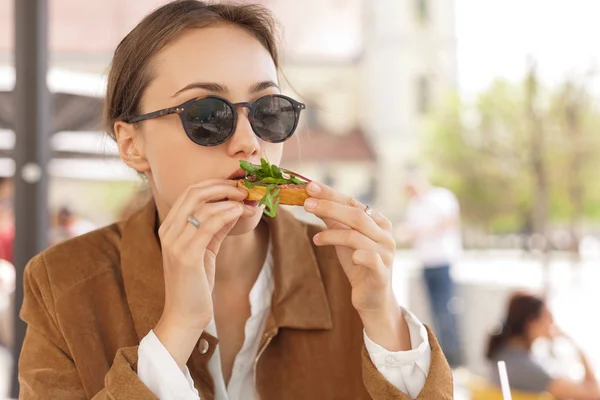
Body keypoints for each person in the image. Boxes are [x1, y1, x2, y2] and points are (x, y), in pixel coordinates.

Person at [17, 2, 453, 399]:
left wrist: (383, 317)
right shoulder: (61, 285)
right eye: (207, 115)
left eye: (268, 112)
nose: (249, 143)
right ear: (132, 145)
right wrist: (176, 331)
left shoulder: (347, 274)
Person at [396, 167, 463, 367]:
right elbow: (408, 232)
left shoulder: (441, 198)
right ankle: (441, 353)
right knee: (434, 311)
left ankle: (454, 356)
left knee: (446, 310)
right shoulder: (413, 206)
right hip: (426, 263)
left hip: (443, 262)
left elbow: (450, 223)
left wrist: (422, 231)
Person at [487, 291, 600, 399]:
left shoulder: (506, 355)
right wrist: (575, 344)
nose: (552, 321)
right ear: (531, 322)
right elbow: (594, 393)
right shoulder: (523, 366)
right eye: (548, 315)